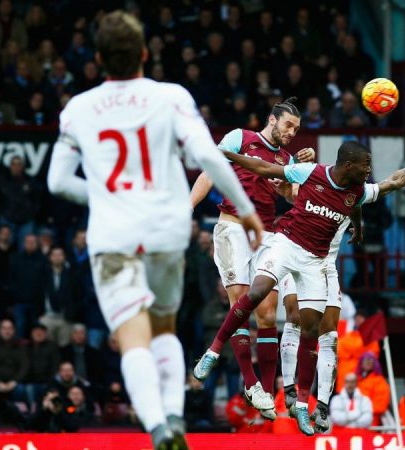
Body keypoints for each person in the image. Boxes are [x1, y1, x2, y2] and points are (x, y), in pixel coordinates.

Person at [46, 11, 261, 450]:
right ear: (145, 53)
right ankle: (177, 417)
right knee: (163, 327)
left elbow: (57, 182)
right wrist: (246, 209)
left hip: (115, 235)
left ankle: (157, 426)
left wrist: (106, 197)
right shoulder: (172, 97)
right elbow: (210, 156)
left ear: (100, 59)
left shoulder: (78, 110)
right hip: (167, 230)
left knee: (133, 337)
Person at [194, 141, 405, 434]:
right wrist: (225, 154)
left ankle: (303, 405)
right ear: (349, 165)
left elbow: (392, 182)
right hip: (286, 244)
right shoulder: (310, 172)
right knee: (255, 294)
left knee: (312, 331)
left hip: (316, 263)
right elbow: (264, 167)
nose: (370, 171)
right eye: (366, 165)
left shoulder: (357, 192)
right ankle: (212, 352)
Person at [188, 96, 315, 420]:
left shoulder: (286, 158)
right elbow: (209, 174)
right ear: (272, 120)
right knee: (240, 306)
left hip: (266, 235)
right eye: (288, 125)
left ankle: (266, 389)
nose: (291, 132)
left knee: (268, 314)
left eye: (296, 129)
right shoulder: (240, 139)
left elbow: (292, 198)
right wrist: (186, 208)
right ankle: (250, 382)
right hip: (232, 227)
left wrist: (289, 181)